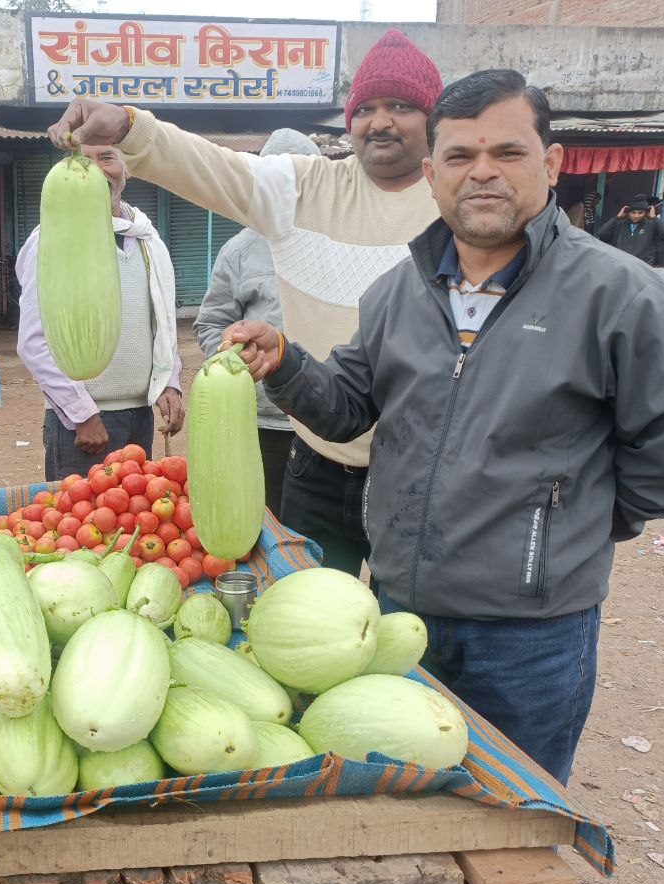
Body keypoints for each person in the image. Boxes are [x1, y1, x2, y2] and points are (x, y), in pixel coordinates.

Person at [217, 70, 664, 884]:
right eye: (462, 154)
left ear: (551, 164)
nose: (483, 171)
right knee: (415, 833)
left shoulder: (625, 297)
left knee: (509, 847)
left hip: (532, 638)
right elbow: (346, 412)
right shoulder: (397, 293)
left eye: (508, 151)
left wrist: (556, 528)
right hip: (401, 620)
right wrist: (286, 362)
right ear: (434, 172)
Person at [46, 27, 443, 580]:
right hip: (317, 463)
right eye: (367, 107)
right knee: (308, 621)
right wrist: (131, 125)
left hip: (423, 478)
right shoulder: (305, 189)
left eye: (401, 105)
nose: (380, 121)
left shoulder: (462, 204)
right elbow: (212, 167)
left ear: (434, 118)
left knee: (411, 629)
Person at [16, 145, 184, 481]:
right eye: (84, 161)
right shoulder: (51, 240)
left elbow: (162, 324)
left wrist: (170, 383)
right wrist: (82, 413)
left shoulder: (148, 239)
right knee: (79, 530)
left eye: (105, 158)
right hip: (84, 425)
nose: (95, 170)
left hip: (140, 417)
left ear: (127, 169)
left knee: (133, 526)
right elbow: (34, 342)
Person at [194, 128, 319, 517]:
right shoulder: (240, 250)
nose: (288, 188)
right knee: (261, 526)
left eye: (299, 178)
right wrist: (235, 352)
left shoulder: (343, 244)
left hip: (328, 424)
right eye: (275, 179)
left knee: (316, 531)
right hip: (261, 421)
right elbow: (211, 323)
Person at [595, 193, 664, 265]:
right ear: (628, 212)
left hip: (642, 268)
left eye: (640, 213)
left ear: (645, 213)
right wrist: (617, 217)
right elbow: (601, 233)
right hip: (620, 266)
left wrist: (654, 218)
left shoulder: (652, 225)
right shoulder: (620, 224)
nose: (636, 215)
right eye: (633, 212)